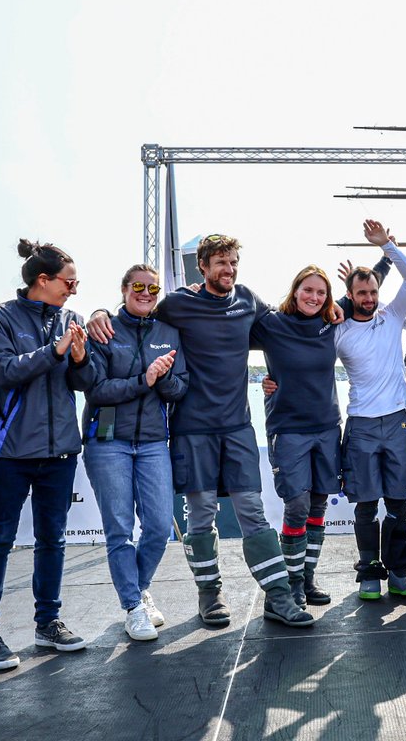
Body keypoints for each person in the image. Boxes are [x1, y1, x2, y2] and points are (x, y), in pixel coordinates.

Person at [87, 235, 313, 628]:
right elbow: (136, 315)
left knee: (253, 513)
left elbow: (288, 324)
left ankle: (278, 597)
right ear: (203, 268)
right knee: (201, 515)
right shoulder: (177, 304)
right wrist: (97, 312)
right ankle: (209, 595)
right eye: (221, 262)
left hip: (239, 427)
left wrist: (335, 311)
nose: (228, 269)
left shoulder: (247, 300)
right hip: (192, 429)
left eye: (233, 262)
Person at [0, 239, 97, 670]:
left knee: (53, 540)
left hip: (59, 451)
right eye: (69, 281)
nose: (74, 290)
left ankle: (49, 623)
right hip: (8, 451)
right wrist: (57, 350)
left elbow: (84, 382)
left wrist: (80, 359)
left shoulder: (71, 318)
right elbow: (6, 371)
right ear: (42, 280)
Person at [82, 265, 187, 641]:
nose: (146, 293)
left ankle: (140, 590)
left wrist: (164, 377)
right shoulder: (105, 328)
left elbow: (179, 389)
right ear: (124, 289)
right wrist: (145, 380)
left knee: (160, 527)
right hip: (108, 440)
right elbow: (96, 390)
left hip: (155, 442)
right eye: (138, 286)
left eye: (153, 287)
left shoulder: (168, 332)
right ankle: (132, 607)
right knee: (120, 531)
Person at [326, 222, 406, 601]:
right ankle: (369, 574)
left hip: (397, 420)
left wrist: (386, 246)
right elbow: (306, 355)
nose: (368, 297)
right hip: (362, 425)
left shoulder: (392, 315)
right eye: (361, 293)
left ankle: (399, 574)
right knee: (366, 507)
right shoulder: (338, 328)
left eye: (372, 291)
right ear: (350, 295)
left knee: (398, 505)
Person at [251, 263, 344, 607]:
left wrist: (383, 253)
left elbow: (367, 293)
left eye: (321, 292)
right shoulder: (272, 324)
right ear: (295, 290)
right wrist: (263, 380)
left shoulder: (330, 322)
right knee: (298, 504)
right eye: (308, 290)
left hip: (327, 427)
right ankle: (291, 583)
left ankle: (307, 578)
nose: (314, 297)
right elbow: (227, 337)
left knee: (319, 502)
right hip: (288, 429)